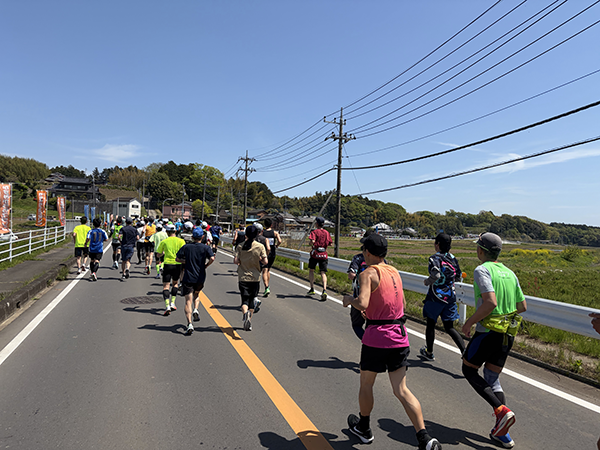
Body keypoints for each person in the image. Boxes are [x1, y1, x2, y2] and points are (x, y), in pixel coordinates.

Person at [342, 234, 441, 449]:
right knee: (401, 390)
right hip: (399, 336)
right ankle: (425, 438)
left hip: (376, 338)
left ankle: (364, 428)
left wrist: (349, 300)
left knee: (366, 383)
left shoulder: (367, 273)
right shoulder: (394, 271)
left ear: (368, 252)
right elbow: (400, 302)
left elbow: (363, 302)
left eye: (363, 250)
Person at [461, 232, 527, 449]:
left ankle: (501, 411)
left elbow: (490, 302)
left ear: (480, 250)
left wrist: (469, 322)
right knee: (492, 377)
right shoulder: (510, 273)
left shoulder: (482, 270)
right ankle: (502, 433)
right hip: (507, 334)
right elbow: (522, 306)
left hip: (488, 332)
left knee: (468, 369)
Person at [420, 233, 465, 361]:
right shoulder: (453, 258)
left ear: (438, 244)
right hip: (450, 297)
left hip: (435, 296)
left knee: (431, 324)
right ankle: (465, 353)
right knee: (449, 327)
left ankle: (429, 353)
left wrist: (427, 282)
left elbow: (436, 275)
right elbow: (458, 276)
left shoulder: (434, 258)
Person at [176, 228, 215, 335]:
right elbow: (212, 258)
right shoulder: (206, 247)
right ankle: (196, 310)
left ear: (192, 237)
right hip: (200, 276)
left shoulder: (187, 247)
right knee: (197, 294)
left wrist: (185, 261)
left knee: (188, 301)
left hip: (188, 277)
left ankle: (189, 324)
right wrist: (206, 265)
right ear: (202, 237)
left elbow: (177, 259)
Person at [234, 225, 268, 332]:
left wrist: (241, 261)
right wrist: (259, 258)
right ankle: (248, 321)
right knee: (252, 300)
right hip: (255, 277)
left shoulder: (240, 246)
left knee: (244, 300)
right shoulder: (260, 246)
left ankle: (245, 314)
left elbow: (235, 261)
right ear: (257, 234)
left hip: (243, 277)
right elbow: (265, 262)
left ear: (246, 234)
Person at [346, 229, 378, 340]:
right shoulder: (382, 261)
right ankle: (373, 342)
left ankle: (368, 341)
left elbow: (351, 274)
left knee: (357, 324)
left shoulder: (358, 258)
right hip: (376, 298)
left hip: (359, 296)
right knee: (373, 325)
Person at [156, 224, 186, 316]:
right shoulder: (181, 241)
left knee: (166, 286)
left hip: (167, 264)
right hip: (178, 264)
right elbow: (184, 253)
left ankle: (167, 306)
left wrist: (162, 253)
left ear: (167, 232)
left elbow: (158, 254)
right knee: (175, 283)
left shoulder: (164, 241)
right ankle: (173, 303)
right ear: (175, 231)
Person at [307, 217, 332, 301]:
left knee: (311, 270)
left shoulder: (314, 232)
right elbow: (330, 244)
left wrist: (310, 243)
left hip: (315, 254)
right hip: (323, 254)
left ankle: (312, 288)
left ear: (317, 224)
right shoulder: (327, 233)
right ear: (323, 224)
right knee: (323, 272)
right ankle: (324, 290)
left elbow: (312, 241)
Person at [261, 218, 281, 297]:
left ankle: (266, 287)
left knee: (264, 270)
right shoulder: (275, 233)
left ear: (264, 224)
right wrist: (277, 245)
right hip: (272, 252)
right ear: (271, 225)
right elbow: (280, 241)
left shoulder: (262, 233)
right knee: (268, 270)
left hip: (264, 252)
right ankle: (267, 286)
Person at [253, 222, 270, 312]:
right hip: (263, 259)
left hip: (254, 261)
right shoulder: (265, 239)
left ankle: (254, 297)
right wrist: (265, 256)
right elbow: (269, 248)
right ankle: (266, 287)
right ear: (261, 231)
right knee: (265, 273)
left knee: (255, 277)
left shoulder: (252, 239)